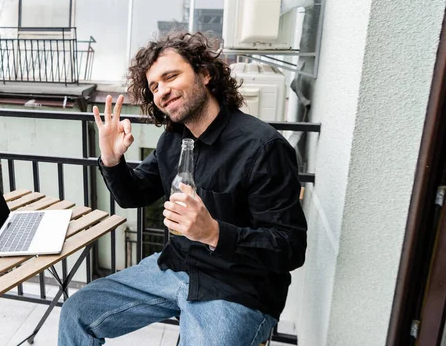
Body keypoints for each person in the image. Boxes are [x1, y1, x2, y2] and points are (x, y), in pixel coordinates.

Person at [58, 32, 307, 346]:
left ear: (205, 74)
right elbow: (134, 194)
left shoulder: (262, 146)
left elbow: (290, 247)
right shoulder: (173, 141)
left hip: (238, 288)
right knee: (77, 312)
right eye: (154, 86)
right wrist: (111, 159)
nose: (162, 91)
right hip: (177, 267)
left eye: (170, 76)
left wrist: (214, 233)